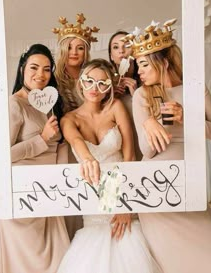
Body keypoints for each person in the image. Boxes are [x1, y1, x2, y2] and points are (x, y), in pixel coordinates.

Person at [125, 19, 211, 273]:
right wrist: (152, 124)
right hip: (154, 191)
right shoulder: (142, 95)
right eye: (137, 65)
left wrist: (188, 119)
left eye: (144, 64)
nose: (139, 71)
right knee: (170, 264)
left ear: (163, 62)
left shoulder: (197, 90)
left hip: (189, 184)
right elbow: (148, 151)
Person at [57, 59, 162, 273]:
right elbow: (76, 141)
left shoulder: (116, 107)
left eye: (102, 83)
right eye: (90, 81)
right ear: (81, 83)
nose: (94, 89)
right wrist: (87, 158)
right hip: (92, 198)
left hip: (122, 190)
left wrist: (124, 204)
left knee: (128, 248)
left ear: (109, 88)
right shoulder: (69, 119)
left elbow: (130, 156)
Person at [0, 44, 70, 273]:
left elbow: (58, 147)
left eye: (47, 69)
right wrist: (42, 140)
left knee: (59, 261)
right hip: (23, 196)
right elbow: (2, 156)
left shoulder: (50, 103)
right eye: (34, 68)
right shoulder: (14, 103)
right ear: (22, 70)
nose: (41, 75)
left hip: (49, 193)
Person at [52, 13, 99, 240]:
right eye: (69, 47)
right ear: (63, 49)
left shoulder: (95, 76)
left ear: (86, 51)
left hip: (95, 141)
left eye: (80, 48)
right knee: (73, 196)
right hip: (67, 146)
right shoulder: (52, 80)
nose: (74, 52)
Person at [108, 30, 142, 160]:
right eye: (115, 47)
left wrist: (137, 95)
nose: (121, 51)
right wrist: (111, 96)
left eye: (126, 46)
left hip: (142, 146)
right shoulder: (104, 83)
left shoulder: (146, 81)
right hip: (117, 151)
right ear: (111, 55)